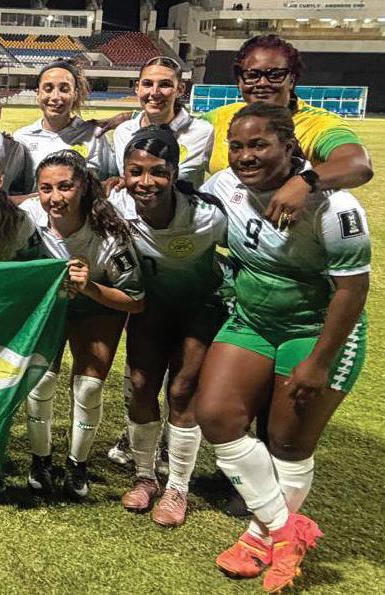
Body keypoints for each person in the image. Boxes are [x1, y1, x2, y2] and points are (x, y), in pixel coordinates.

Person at [196, 103, 369, 592]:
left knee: (288, 442)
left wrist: (319, 362)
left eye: (259, 145)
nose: (245, 156)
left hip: (315, 330)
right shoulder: (224, 187)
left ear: (289, 147)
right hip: (252, 321)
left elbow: (352, 291)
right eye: (236, 146)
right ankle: (286, 529)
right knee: (216, 416)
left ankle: (259, 538)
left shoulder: (336, 208)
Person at [108, 126, 227, 527]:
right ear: (123, 174)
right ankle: (145, 477)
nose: (146, 182)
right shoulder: (115, 205)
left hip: (199, 309)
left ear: (175, 173)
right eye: (135, 171)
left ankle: (177, 487)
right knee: (141, 385)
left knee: (182, 390)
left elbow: (246, 250)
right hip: (151, 308)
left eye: (157, 172)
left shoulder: (207, 215)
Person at [20, 150, 144, 499]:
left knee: (88, 387)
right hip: (50, 307)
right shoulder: (27, 217)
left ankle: (78, 464)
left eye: (65, 187)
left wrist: (89, 287)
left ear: (84, 186)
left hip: (98, 308)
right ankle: (40, 461)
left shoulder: (110, 231)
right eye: (46, 188)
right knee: (40, 380)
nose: (54, 198)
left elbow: (136, 299)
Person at [202, 34, 372, 224]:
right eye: (252, 75)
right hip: (230, 234)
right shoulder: (218, 117)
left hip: (295, 235)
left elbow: (358, 164)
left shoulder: (318, 124)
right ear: (240, 81)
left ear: (291, 79)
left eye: (275, 75)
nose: (262, 83)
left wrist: (304, 181)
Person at [111, 58, 214, 189]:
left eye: (165, 85)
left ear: (180, 89)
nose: (154, 92)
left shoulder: (203, 133)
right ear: (137, 88)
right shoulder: (123, 132)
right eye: (147, 84)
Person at [15, 62, 115, 193]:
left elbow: (111, 182)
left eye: (64, 89)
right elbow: (14, 190)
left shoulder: (95, 136)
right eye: (48, 89)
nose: (55, 97)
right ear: (38, 93)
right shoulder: (21, 138)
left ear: (75, 94)